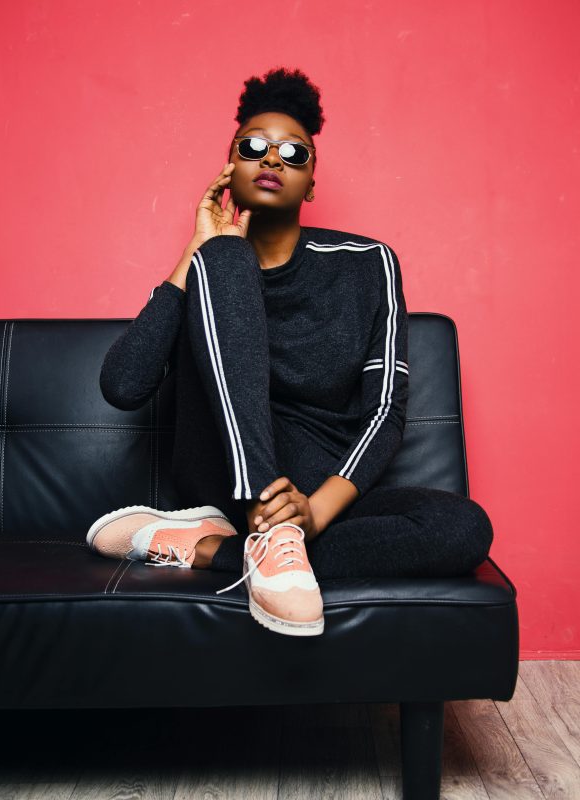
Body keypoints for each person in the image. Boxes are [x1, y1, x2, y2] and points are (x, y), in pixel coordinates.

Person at [86, 67, 494, 638]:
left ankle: (203, 548)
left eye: (291, 153)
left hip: (315, 486)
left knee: (462, 527)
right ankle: (264, 529)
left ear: (312, 181)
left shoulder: (367, 265)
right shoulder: (209, 266)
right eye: (253, 147)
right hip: (224, 475)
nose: (271, 160)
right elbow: (123, 386)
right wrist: (196, 252)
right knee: (229, 257)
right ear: (229, 165)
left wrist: (314, 511)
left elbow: (384, 412)